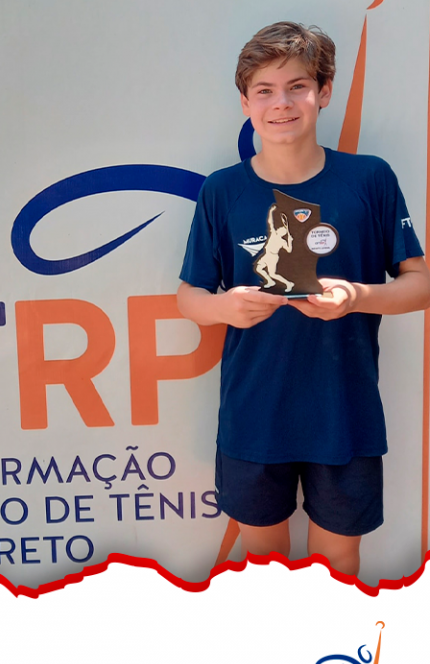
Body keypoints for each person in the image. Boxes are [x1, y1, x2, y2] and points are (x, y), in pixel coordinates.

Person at [177, 21, 430, 575]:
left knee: (337, 564)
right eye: (265, 90)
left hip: (345, 410)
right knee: (263, 566)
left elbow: (421, 285)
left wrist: (356, 296)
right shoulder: (222, 190)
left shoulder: (369, 179)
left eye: (297, 86)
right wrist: (224, 307)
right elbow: (189, 295)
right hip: (253, 412)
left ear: (324, 91)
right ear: (245, 102)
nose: (282, 103)